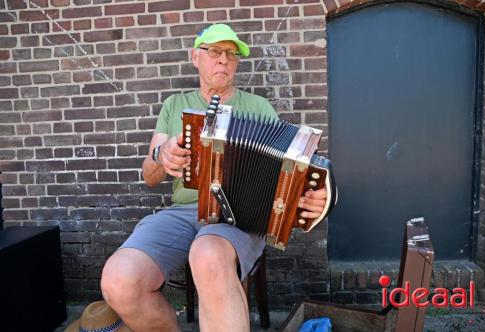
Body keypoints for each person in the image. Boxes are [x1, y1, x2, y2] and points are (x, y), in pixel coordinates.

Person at [100, 23, 328, 332]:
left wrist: (315, 193)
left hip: (237, 217)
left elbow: (288, 171)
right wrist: (162, 154)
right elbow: (149, 175)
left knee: (207, 255)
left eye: (232, 54)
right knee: (119, 280)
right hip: (183, 213)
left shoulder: (258, 107)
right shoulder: (174, 105)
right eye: (215, 51)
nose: (224, 60)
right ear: (195, 57)